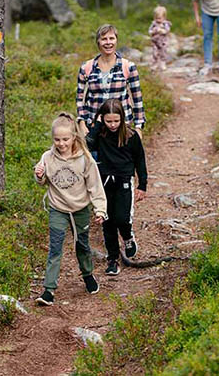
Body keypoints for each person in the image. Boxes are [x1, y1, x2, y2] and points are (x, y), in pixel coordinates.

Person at [33, 112, 107, 306]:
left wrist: (100, 209)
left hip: (80, 209)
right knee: (55, 248)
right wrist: (39, 175)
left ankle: (88, 274)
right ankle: (49, 290)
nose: (61, 143)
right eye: (57, 139)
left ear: (74, 136)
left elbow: (95, 186)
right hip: (58, 209)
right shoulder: (48, 157)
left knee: (82, 245)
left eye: (65, 139)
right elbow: (42, 181)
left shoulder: (85, 159)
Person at [85, 99, 148, 276]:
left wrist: (142, 185)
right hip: (103, 182)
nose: (112, 125)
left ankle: (127, 237)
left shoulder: (131, 136)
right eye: (108, 121)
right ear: (102, 119)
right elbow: (86, 145)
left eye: (116, 121)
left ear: (122, 118)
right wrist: (97, 126)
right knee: (107, 221)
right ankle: (113, 259)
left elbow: (140, 161)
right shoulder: (100, 134)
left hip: (124, 181)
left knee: (121, 218)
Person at [76, 24, 146, 137]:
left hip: (122, 127)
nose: (108, 42)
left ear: (116, 40)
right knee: (95, 155)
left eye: (111, 38)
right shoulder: (86, 67)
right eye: (104, 39)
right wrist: (82, 123)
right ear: (98, 42)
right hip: (94, 127)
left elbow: (137, 99)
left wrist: (138, 127)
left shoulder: (128, 66)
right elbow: (80, 99)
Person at [148, 5, 172, 71]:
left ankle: (163, 63)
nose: (158, 20)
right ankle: (155, 64)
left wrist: (161, 30)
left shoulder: (165, 24)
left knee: (163, 52)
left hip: (163, 42)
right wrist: (153, 31)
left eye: (159, 18)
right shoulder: (154, 24)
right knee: (155, 53)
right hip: (155, 41)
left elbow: (167, 31)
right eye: (156, 18)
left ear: (164, 17)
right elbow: (149, 31)